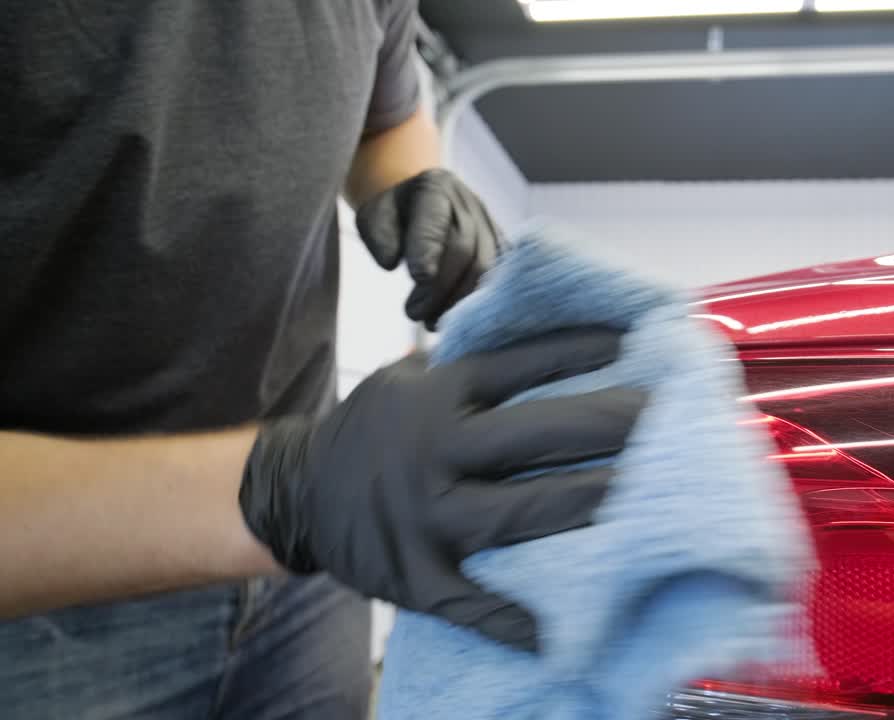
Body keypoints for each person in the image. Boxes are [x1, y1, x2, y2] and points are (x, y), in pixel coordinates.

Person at [0, 3, 643, 718]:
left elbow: (387, 117)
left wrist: (409, 181)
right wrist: (280, 490)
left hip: (307, 572)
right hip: (50, 602)